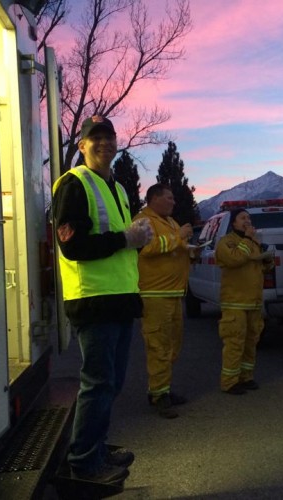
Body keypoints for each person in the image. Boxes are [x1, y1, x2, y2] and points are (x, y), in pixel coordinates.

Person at [51, 115, 153, 484]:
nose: (105, 143)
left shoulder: (119, 187)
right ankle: (84, 463)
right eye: (95, 138)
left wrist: (139, 239)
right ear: (81, 146)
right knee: (98, 382)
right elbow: (72, 245)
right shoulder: (73, 184)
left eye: (109, 137)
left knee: (110, 383)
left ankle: (94, 447)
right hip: (93, 300)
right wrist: (125, 240)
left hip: (120, 299)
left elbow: (122, 241)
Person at [133, 184, 194, 419]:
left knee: (171, 345)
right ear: (154, 198)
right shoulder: (142, 220)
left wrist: (191, 250)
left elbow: (175, 246)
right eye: (169, 198)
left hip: (174, 293)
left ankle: (163, 389)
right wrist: (179, 236)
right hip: (155, 294)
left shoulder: (171, 222)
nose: (174, 202)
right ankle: (159, 396)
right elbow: (147, 248)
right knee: (158, 345)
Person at [215, 209, 274, 394]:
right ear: (233, 223)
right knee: (235, 342)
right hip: (235, 303)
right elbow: (235, 260)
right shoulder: (226, 242)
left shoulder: (253, 242)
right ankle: (229, 382)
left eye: (249, 218)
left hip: (253, 301)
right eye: (243, 218)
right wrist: (248, 240)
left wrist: (267, 260)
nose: (247, 221)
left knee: (251, 341)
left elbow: (261, 267)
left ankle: (246, 377)